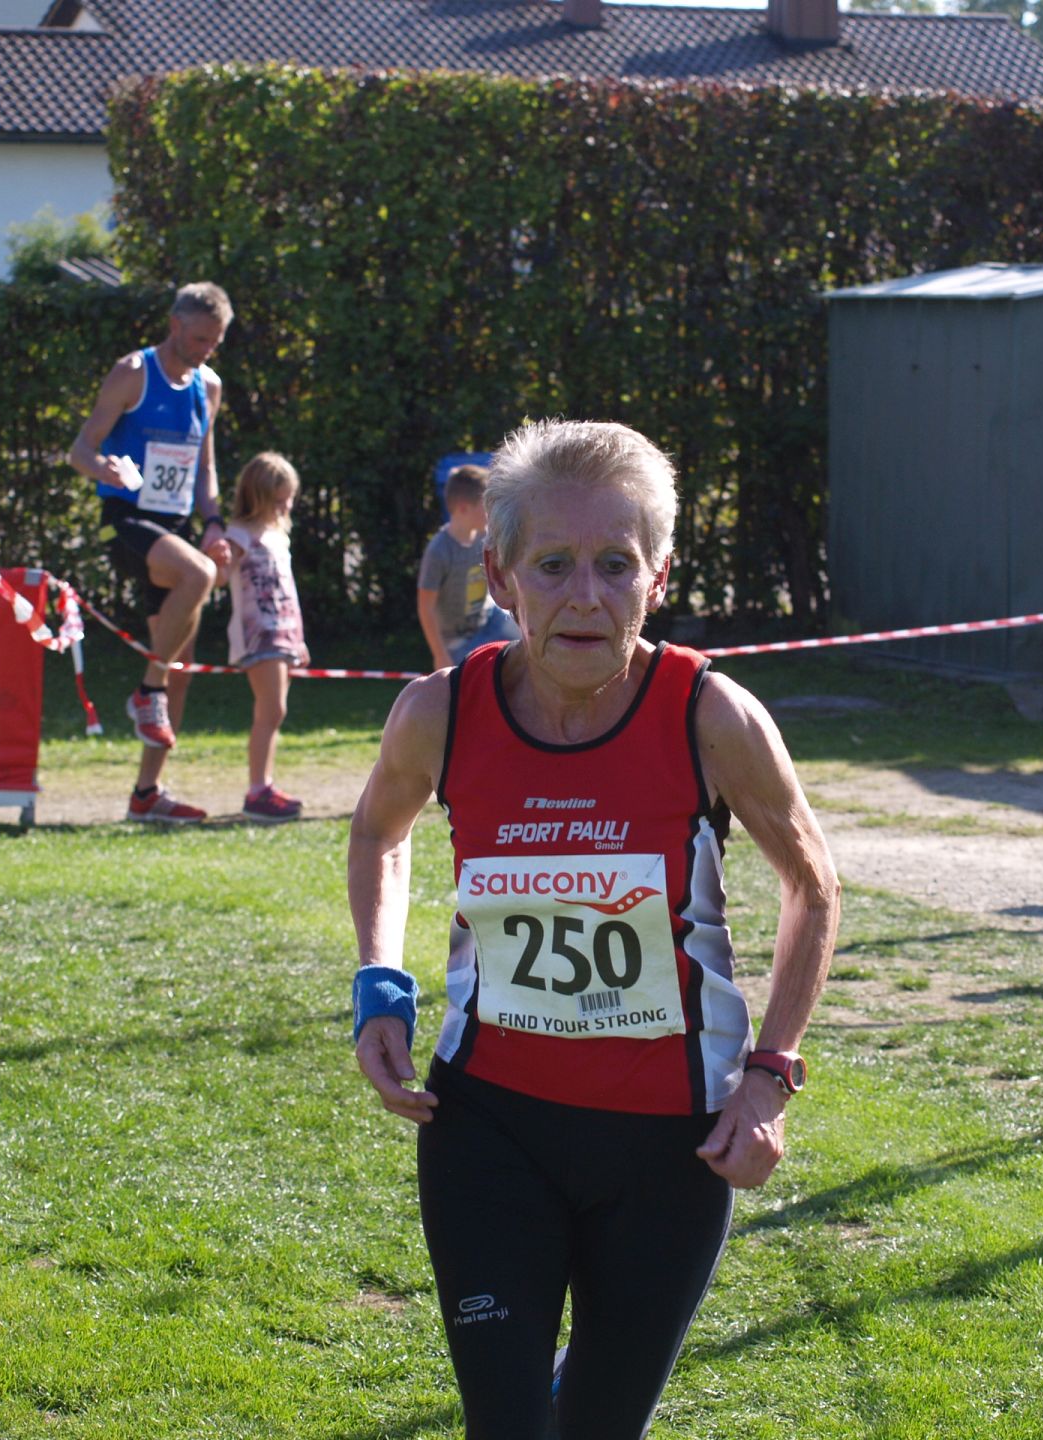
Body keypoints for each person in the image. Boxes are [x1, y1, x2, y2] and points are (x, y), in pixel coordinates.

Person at [348, 419, 841, 1439]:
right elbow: (380, 833)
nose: (585, 596)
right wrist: (379, 987)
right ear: (500, 576)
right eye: (554, 565)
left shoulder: (710, 716)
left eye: (615, 564)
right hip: (488, 1126)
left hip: (670, 1145)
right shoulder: (440, 713)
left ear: (657, 577)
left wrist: (769, 1074)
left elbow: (812, 885)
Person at [68, 281, 234, 824]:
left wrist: (214, 523)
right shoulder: (133, 373)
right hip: (126, 520)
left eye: (215, 342)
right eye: (200, 339)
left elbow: (205, 468)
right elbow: (79, 450)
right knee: (198, 575)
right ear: (175, 325)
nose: (206, 350)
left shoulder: (208, 386)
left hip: (175, 526)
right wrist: (104, 468)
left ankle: (147, 793)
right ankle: (146, 690)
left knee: (179, 668)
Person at [222, 451, 309, 824]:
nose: (286, 506)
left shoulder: (278, 537)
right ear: (258, 496)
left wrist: (299, 639)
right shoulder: (237, 536)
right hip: (258, 636)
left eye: (289, 498)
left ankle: (265, 786)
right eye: (279, 499)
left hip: (284, 634)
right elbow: (220, 575)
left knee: (274, 711)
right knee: (271, 710)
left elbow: (287, 590)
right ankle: (257, 790)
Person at [417, 463, 519, 671]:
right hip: (459, 641)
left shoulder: (486, 537)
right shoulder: (439, 551)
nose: (492, 512)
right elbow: (426, 607)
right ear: (463, 508)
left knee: (530, 633)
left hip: (490, 619)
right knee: (485, 676)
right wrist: (440, 655)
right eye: (486, 505)